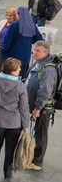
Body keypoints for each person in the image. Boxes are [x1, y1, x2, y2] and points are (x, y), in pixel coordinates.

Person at [0, 58, 30, 178]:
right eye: (18, 68)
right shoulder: (20, 86)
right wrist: (26, 125)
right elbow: (24, 108)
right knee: (11, 148)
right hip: (14, 123)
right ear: (13, 71)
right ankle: (7, 172)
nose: (20, 70)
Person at [26, 41, 58, 171]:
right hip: (35, 105)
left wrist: (37, 108)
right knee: (38, 132)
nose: (34, 52)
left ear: (46, 53)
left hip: (43, 108)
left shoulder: (48, 70)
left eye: (38, 51)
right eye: (34, 49)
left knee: (41, 134)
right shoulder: (38, 62)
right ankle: (34, 157)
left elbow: (45, 92)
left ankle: (37, 162)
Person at [0, 7, 43, 79]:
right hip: (25, 58)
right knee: (21, 77)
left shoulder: (14, 25)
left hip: (12, 58)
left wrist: (2, 50)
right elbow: (39, 40)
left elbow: (7, 41)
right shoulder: (32, 26)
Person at [0, 8, 18, 76]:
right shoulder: (2, 22)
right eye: (7, 15)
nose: (8, 17)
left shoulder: (16, 26)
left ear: (14, 16)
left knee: (7, 70)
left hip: (9, 52)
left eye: (10, 15)